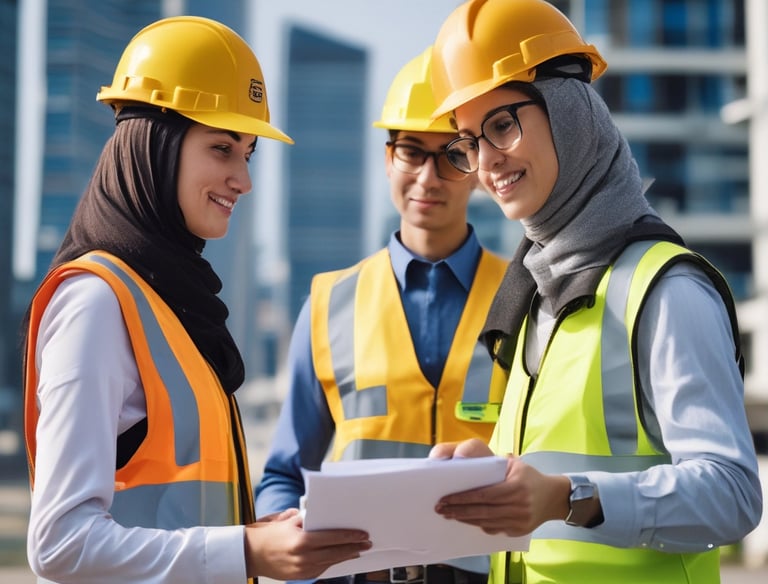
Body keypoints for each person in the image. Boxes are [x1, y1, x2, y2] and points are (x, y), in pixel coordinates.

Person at [423, 1, 764, 583]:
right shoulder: (534, 288)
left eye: (502, 125)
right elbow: (552, 478)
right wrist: (496, 482)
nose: (485, 163)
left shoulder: (667, 290)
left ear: (569, 113)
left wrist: (568, 498)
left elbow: (732, 494)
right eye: (468, 144)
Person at [22, 16, 371, 584]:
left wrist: (257, 534)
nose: (243, 179)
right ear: (152, 146)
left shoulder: (170, 305)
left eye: (248, 154)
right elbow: (60, 544)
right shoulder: (96, 304)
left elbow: (178, 512)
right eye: (221, 148)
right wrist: (245, 552)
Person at [254, 46, 509, 584]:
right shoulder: (328, 302)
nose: (428, 178)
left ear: (480, 168)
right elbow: (284, 472)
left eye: (454, 155)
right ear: (387, 156)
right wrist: (289, 526)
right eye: (412, 152)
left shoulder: (526, 296)